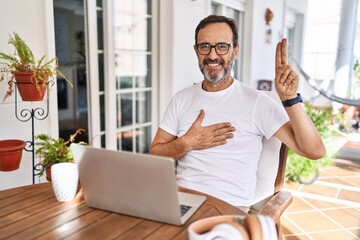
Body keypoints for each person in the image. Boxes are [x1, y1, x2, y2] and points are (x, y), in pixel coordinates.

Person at [149, 15, 325, 210]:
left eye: (222, 46)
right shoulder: (181, 99)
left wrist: (290, 99)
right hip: (179, 202)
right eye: (205, 46)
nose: (213, 55)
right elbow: (156, 153)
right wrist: (186, 143)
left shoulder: (257, 102)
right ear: (196, 51)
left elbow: (314, 151)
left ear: (235, 51)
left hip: (228, 209)